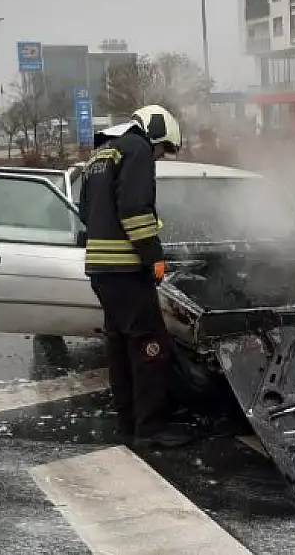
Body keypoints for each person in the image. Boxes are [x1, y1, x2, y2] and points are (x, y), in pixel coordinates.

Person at [78, 104, 193, 448]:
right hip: (126, 269)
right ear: (156, 132)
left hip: (101, 269)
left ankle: (128, 423)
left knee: (120, 344)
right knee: (150, 346)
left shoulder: (102, 153)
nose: (158, 156)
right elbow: (134, 208)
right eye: (162, 150)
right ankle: (151, 429)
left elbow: (86, 212)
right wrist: (153, 255)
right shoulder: (137, 148)